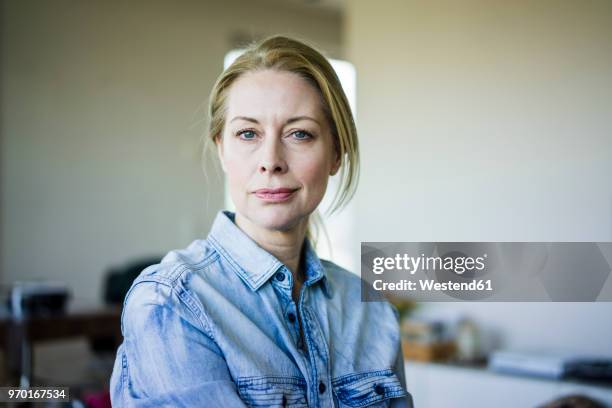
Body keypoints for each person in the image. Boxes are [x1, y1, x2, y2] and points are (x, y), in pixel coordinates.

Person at [109, 34, 413, 407]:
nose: (271, 160)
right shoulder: (172, 303)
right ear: (222, 150)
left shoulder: (372, 311)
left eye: (299, 133)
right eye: (248, 133)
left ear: (336, 153)